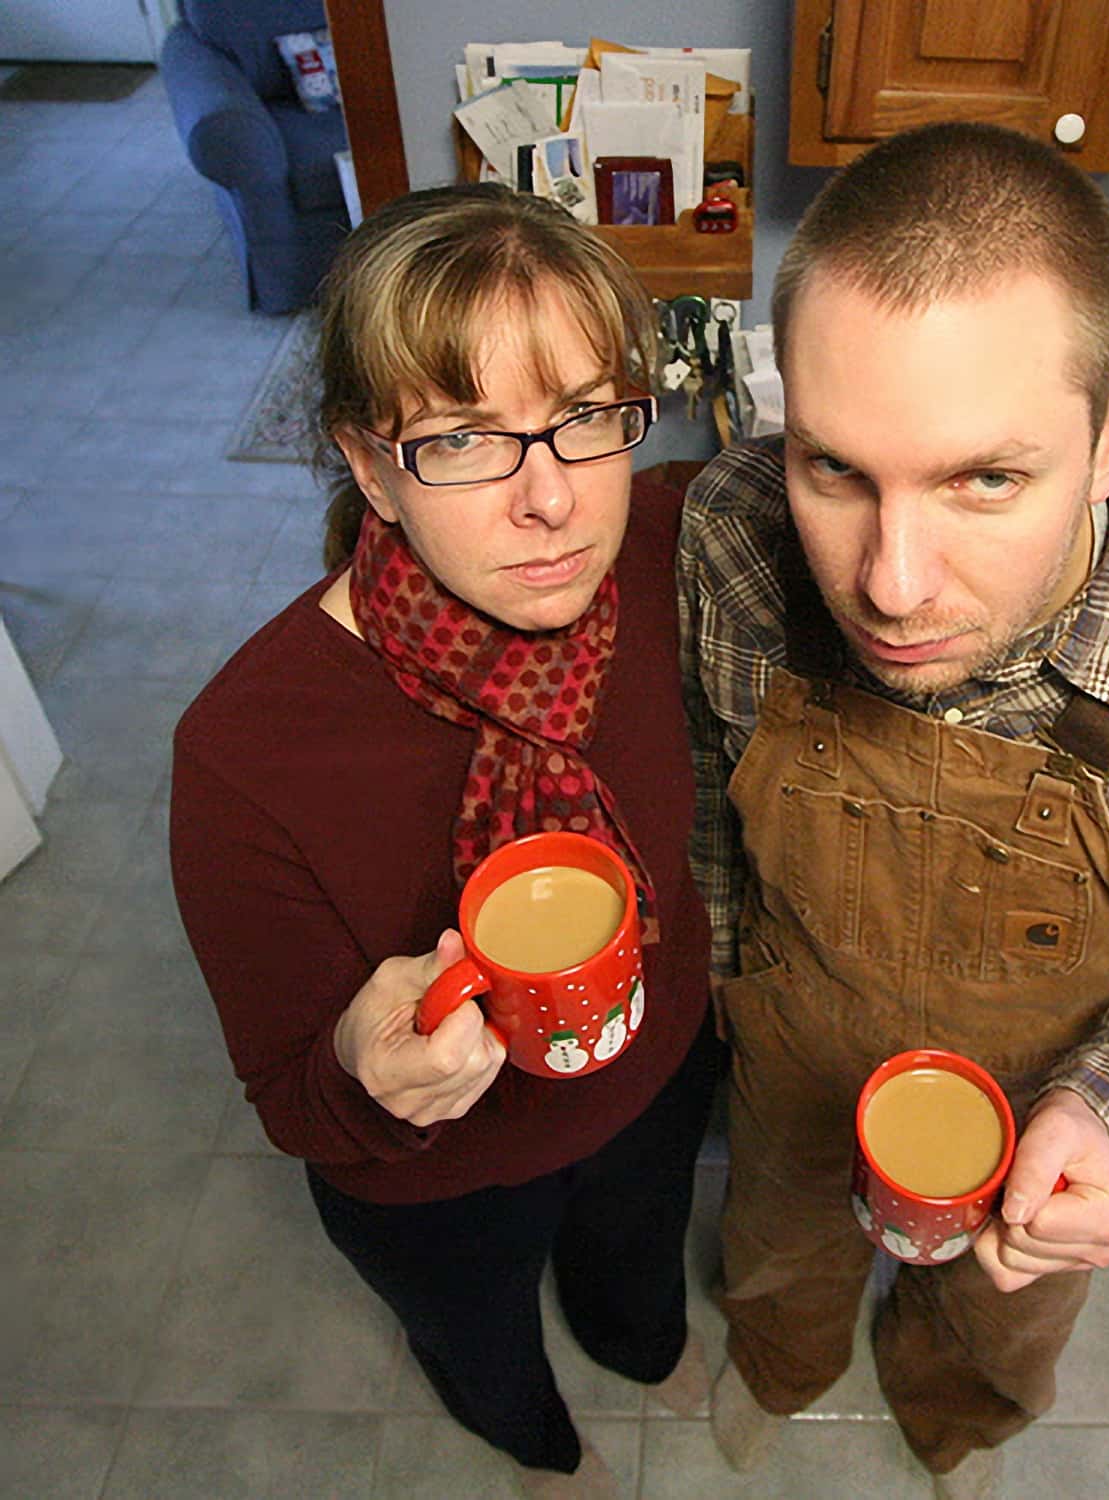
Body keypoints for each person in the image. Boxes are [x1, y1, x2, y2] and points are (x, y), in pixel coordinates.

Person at [678, 122, 1109, 1498]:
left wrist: (1105, 1109)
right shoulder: (727, 536)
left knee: (997, 1321)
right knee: (774, 1253)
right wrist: (731, 975)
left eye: (985, 479)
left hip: (1040, 1116)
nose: (889, 582)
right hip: (794, 1067)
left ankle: (952, 1424)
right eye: (835, 470)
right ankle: (783, 1367)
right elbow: (712, 802)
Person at [171, 183, 722, 1499]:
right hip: (448, 1176)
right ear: (371, 464)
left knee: (639, 1267)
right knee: (479, 1335)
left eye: (585, 418)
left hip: (657, 1068)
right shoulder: (244, 754)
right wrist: (366, 1074)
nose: (552, 504)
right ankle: (529, 1435)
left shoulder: (663, 545)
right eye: (468, 439)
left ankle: (638, 1346)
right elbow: (296, 1103)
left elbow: (878, 472)